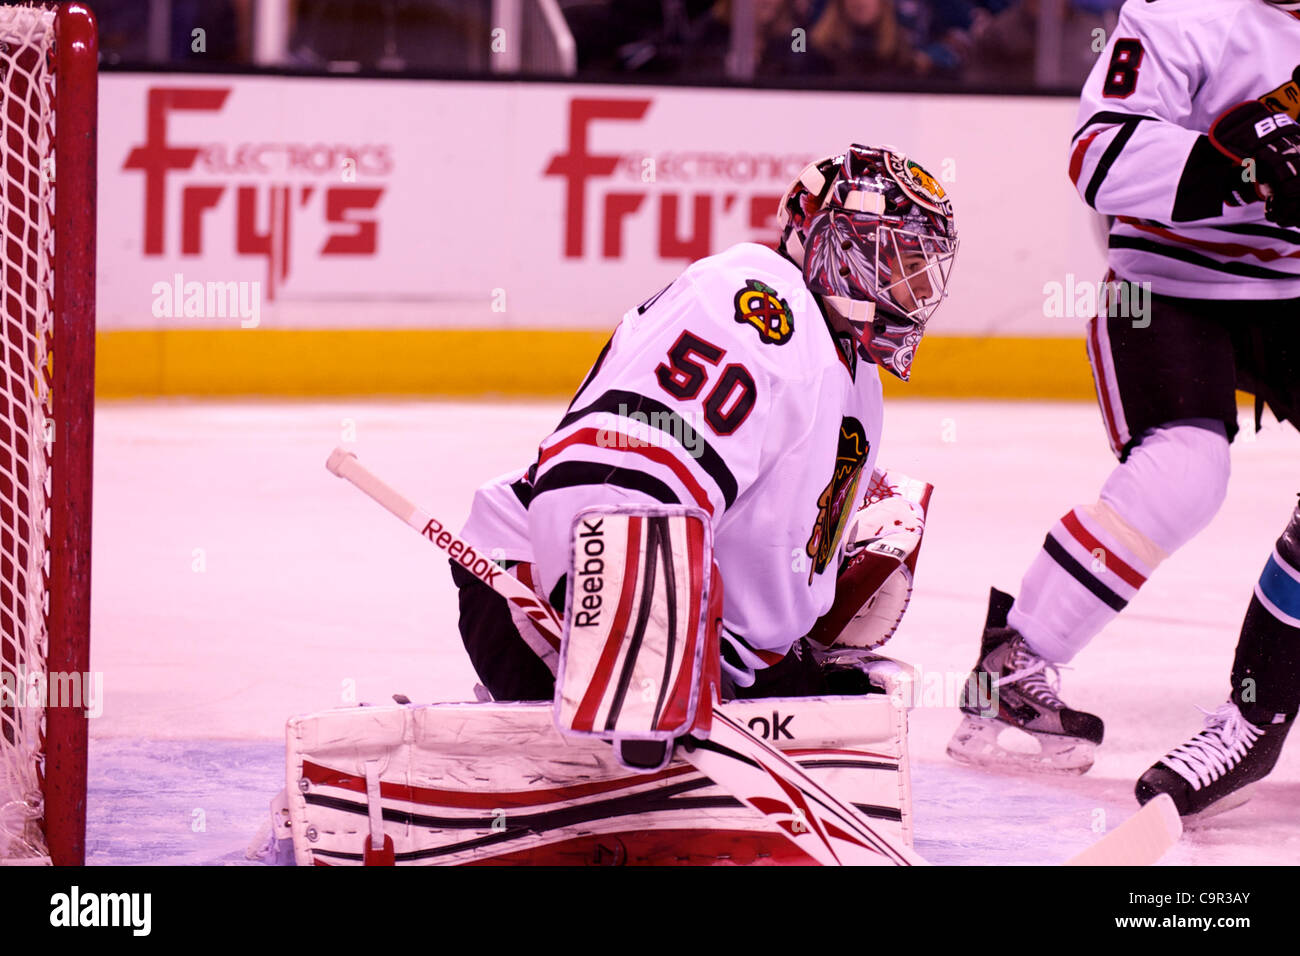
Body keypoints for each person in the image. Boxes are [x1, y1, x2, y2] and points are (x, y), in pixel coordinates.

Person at [948, 0, 1300, 818]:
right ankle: (1014, 662)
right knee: (1184, 474)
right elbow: (1099, 153)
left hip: (1292, 293)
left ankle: (1255, 713)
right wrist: (1239, 169)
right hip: (1168, 285)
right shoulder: (1183, 12)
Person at [453, 145, 957, 706]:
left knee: (892, 525)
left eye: (922, 270)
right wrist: (635, 648)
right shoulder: (756, 303)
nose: (913, 290)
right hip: (560, 597)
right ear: (832, 239)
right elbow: (622, 468)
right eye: (899, 261)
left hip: (705, 648)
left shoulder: (857, 376)